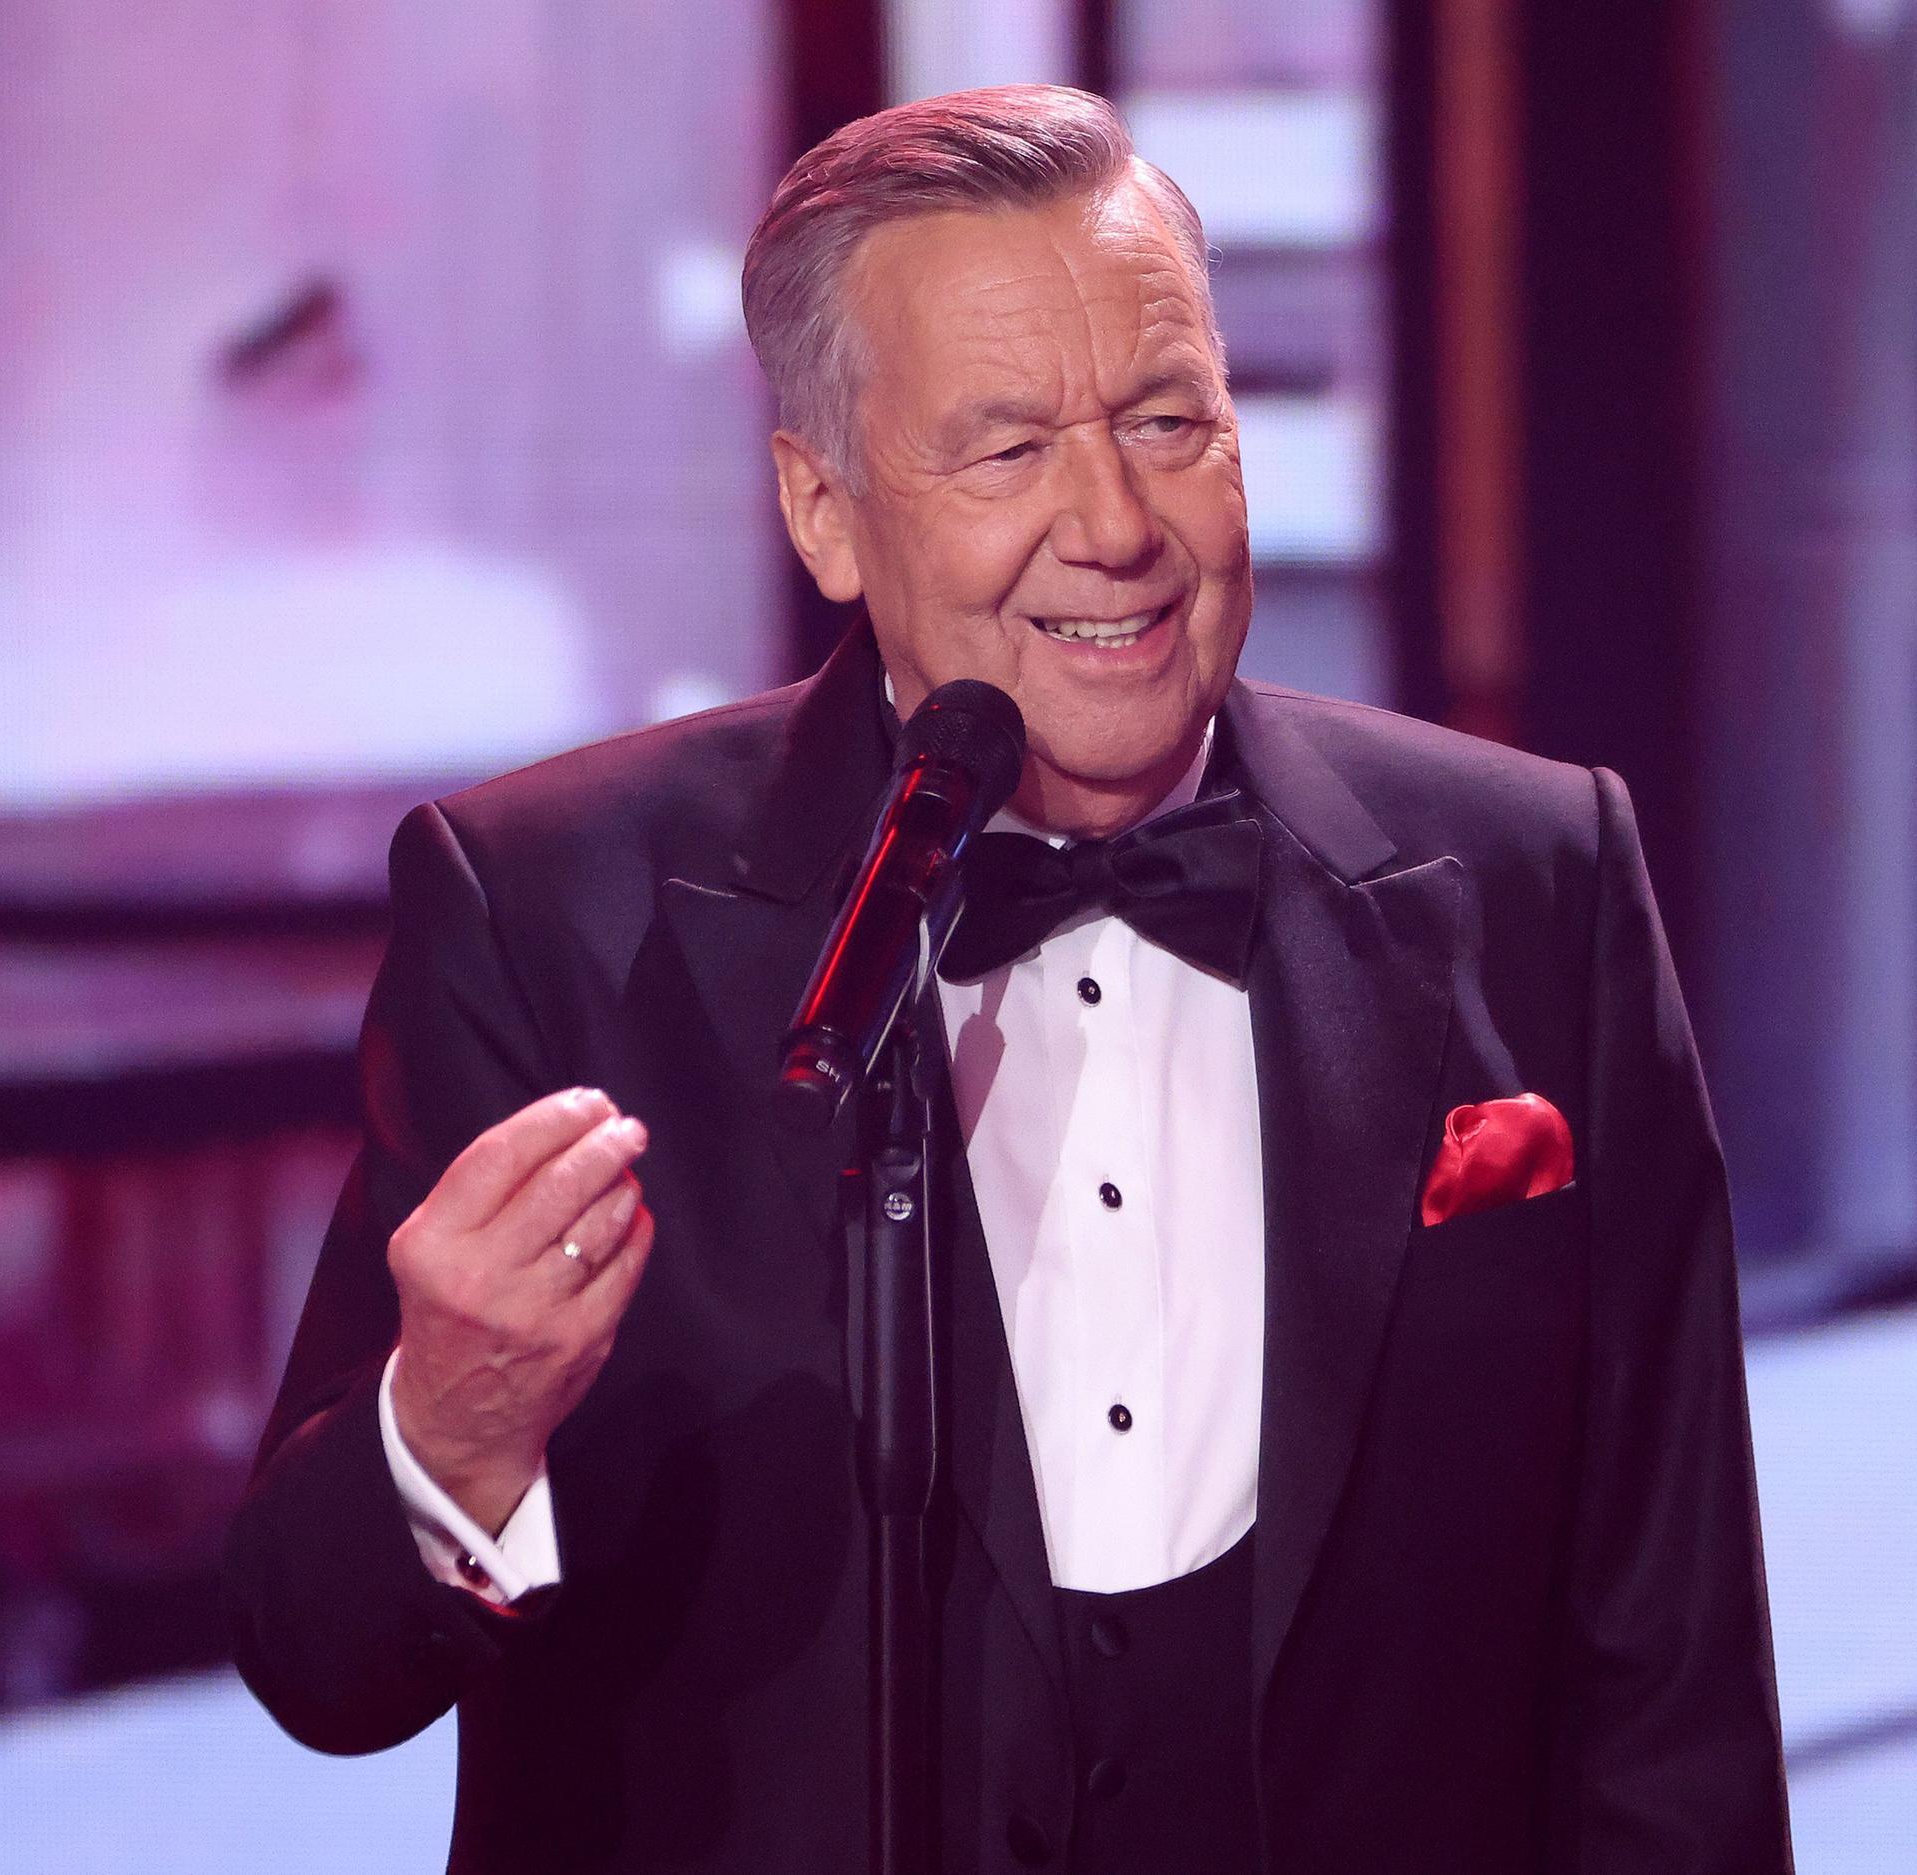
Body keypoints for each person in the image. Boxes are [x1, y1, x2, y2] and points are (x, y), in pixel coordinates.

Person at [228, 84, 1789, 1873]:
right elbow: (318, 1663)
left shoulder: (1537, 876)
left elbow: (1671, 1686)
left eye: (1168, 420)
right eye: (1007, 451)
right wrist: (451, 1429)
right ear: (823, 511)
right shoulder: (547, 915)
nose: (1114, 524)